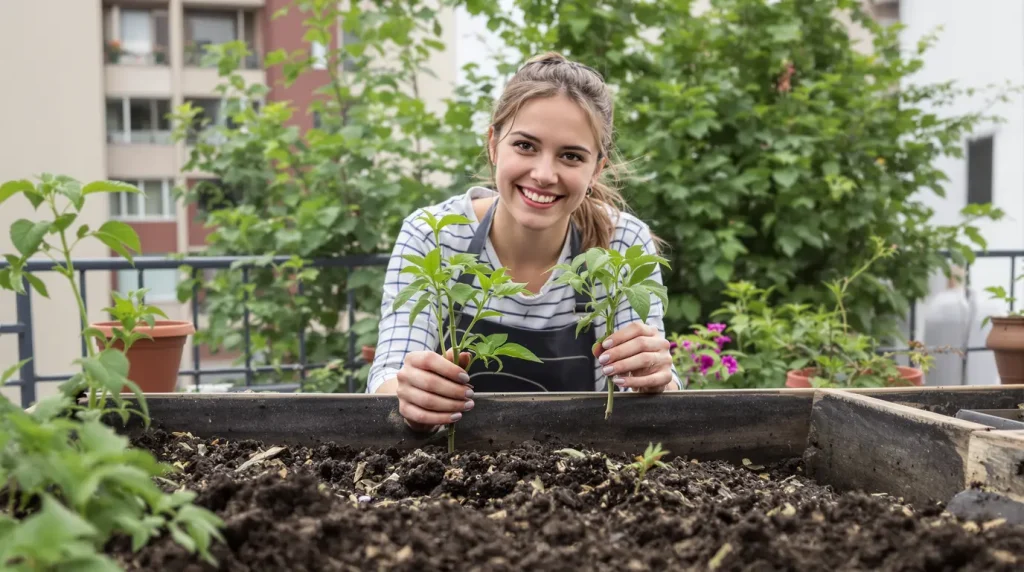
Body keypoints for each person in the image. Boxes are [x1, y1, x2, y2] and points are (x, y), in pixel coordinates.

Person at [368, 52, 680, 431]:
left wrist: (655, 376)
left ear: (597, 169)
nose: (544, 174)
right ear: (494, 144)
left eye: (570, 155)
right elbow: (388, 375)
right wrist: (408, 394)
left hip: (587, 468)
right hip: (448, 469)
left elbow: (647, 398)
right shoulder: (434, 235)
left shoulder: (623, 244)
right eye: (526, 146)